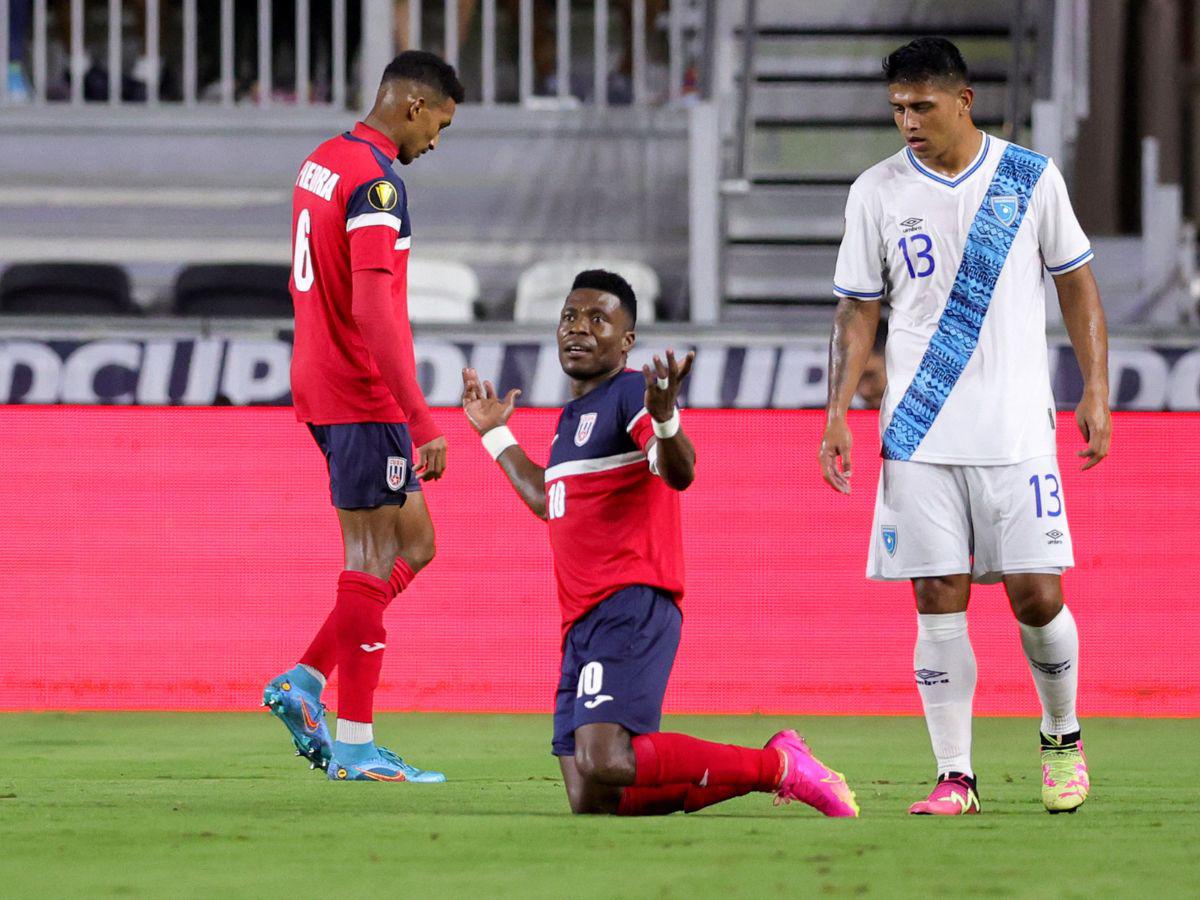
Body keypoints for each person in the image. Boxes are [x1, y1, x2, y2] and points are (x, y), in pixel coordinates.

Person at [819, 38, 1110, 816]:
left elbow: (1078, 285)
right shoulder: (876, 191)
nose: (907, 122)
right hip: (917, 427)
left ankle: (1061, 735)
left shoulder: (1028, 176)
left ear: (963, 101)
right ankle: (956, 775)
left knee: (1036, 595)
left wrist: (1095, 390)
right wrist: (838, 414)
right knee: (936, 596)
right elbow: (855, 310)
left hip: (1017, 426)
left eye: (921, 106)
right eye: (896, 109)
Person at [463, 269, 859, 817]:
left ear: (627, 342)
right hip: (581, 620)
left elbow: (679, 472)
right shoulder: (571, 417)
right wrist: (494, 433)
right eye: (570, 317)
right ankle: (775, 767)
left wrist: (666, 416)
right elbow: (546, 500)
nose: (578, 329)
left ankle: (778, 768)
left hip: (628, 602)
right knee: (591, 793)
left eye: (597, 319)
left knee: (606, 759)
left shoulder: (630, 396)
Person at [262, 50, 465, 784]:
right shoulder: (379, 185)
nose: (435, 142)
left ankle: (307, 680)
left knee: (418, 542)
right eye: (439, 125)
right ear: (412, 105)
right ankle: (354, 745)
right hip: (362, 392)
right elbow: (373, 309)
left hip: (319, 380)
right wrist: (421, 419)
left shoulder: (322, 160)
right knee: (370, 558)